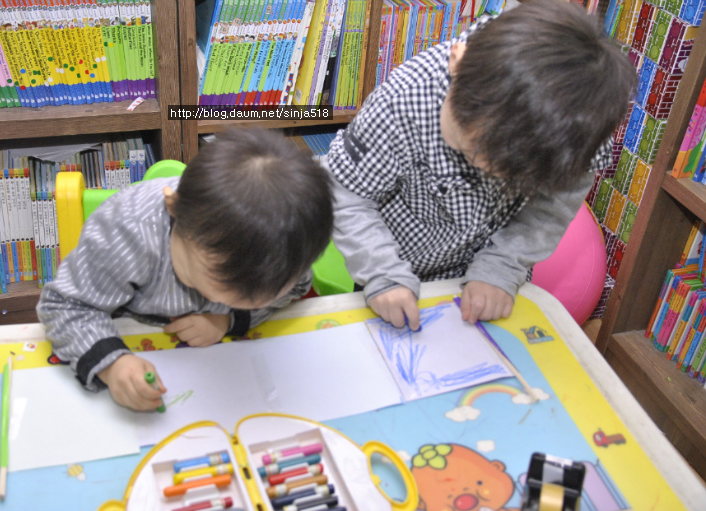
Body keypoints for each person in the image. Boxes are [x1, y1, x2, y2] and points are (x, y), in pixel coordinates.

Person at [326, 0, 636, 330]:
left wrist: (501, 266)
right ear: (457, 63)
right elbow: (345, 192)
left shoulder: (578, 135)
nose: (485, 171)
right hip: (391, 260)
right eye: (469, 149)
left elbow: (549, 209)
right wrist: (382, 273)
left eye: (510, 174)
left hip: (491, 267)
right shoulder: (404, 97)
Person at [37, 129, 334, 411]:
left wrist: (228, 319)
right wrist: (112, 364)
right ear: (173, 208)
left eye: (246, 301)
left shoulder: (284, 252)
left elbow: (297, 289)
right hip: (124, 334)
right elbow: (65, 305)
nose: (219, 301)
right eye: (209, 286)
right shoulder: (127, 231)